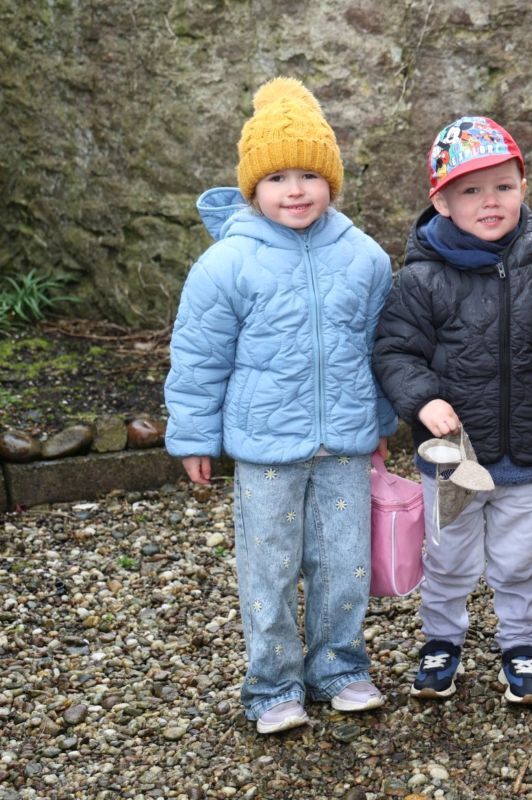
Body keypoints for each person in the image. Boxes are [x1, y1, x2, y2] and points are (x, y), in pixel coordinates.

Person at [164, 77, 395, 734]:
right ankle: (272, 687)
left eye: (309, 175)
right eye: (277, 178)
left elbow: (380, 348)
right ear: (253, 188)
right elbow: (199, 357)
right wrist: (193, 437)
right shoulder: (226, 265)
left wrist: (379, 424)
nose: (295, 190)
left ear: (331, 181)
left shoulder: (365, 258)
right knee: (269, 566)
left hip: (346, 444)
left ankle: (340, 668)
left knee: (344, 564)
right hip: (266, 448)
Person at [372, 116, 532, 705]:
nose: (489, 201)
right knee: (449, 556)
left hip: (528, 451)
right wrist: (423, 400)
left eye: (502, 186)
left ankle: (521, 647)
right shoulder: (421, 280)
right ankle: (441, 641)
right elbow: (397, 350)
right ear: (443, 202)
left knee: (520, 558)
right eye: (471, 191)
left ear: (524, 189)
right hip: (453, 457)